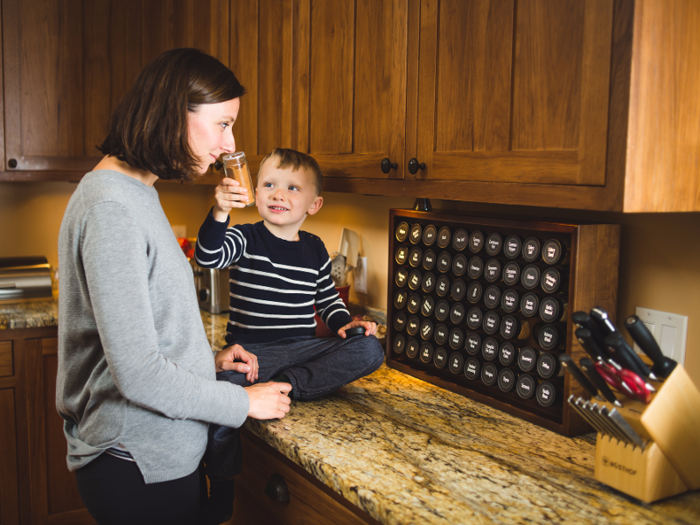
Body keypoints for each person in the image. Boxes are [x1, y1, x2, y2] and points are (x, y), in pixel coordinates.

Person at [56, 48, 292, 525]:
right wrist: (240, 402)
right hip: (135, 460)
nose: (230, 145)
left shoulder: (138, 192)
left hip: (153, 453)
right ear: (172, 111)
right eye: (223, 124)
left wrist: (203, 362)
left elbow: (139, 337)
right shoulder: (112, 209)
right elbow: (138, 374)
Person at [194, 147, 385, 523]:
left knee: (370, 348)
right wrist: (220, 212)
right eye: (269, 184)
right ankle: (222, 484)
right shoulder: (245, 238)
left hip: (302, 351)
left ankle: (286, 386)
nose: (278, 194)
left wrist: (344, 323)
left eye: (292, 188)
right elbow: (207, 255)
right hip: (253, 354)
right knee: (224, 396)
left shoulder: (314, 248)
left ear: (314, 204)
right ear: (257, 192)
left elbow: (327, 300)